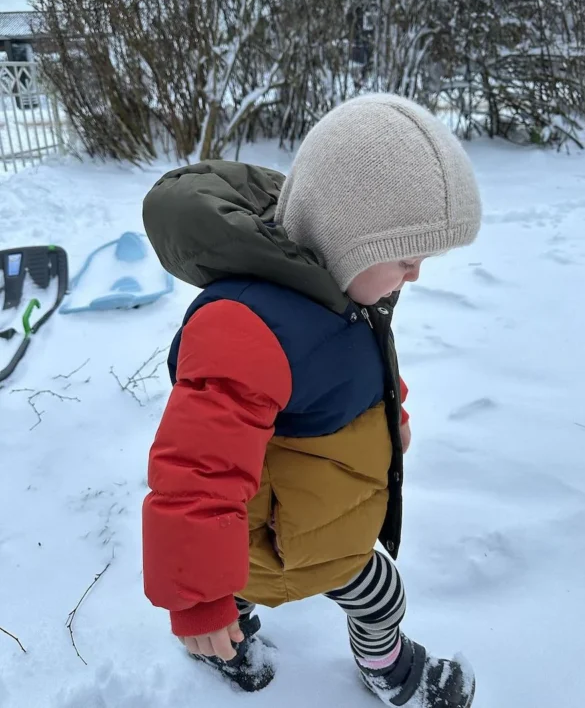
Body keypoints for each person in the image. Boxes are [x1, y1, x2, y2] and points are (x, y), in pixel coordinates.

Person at [142, 94, 482, 707]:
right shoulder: (244, 326)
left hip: (329, 532)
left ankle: (383, 664)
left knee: (380, 596)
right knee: (238, 597)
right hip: (265, 545)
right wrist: (198, 597)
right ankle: (233, 644)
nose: (416, 276)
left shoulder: (348, 294)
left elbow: (369, 366)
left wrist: (392, 415)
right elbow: (198, 471)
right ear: (347, 236)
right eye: (406, 259)